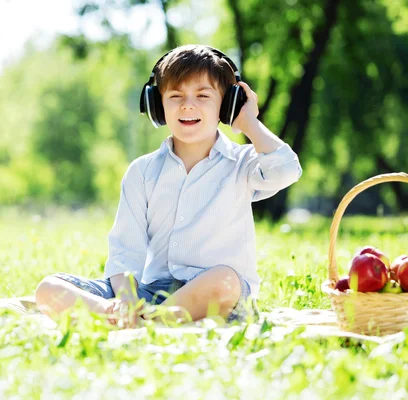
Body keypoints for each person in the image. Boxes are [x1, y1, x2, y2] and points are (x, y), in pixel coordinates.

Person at [35, 44, 302, 328]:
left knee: (225, 279)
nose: (188, 105)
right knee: (49, 289)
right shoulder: (143, 171)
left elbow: (287, 170)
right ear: (157, 106)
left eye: (203, 95)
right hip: (154, 293)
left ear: (227, 105)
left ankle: (148, 322)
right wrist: (126, 298)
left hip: (218, 294)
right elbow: (126, 249)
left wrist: (249, 123)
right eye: (175, 96)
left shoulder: (243, 163)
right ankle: (126, 316)